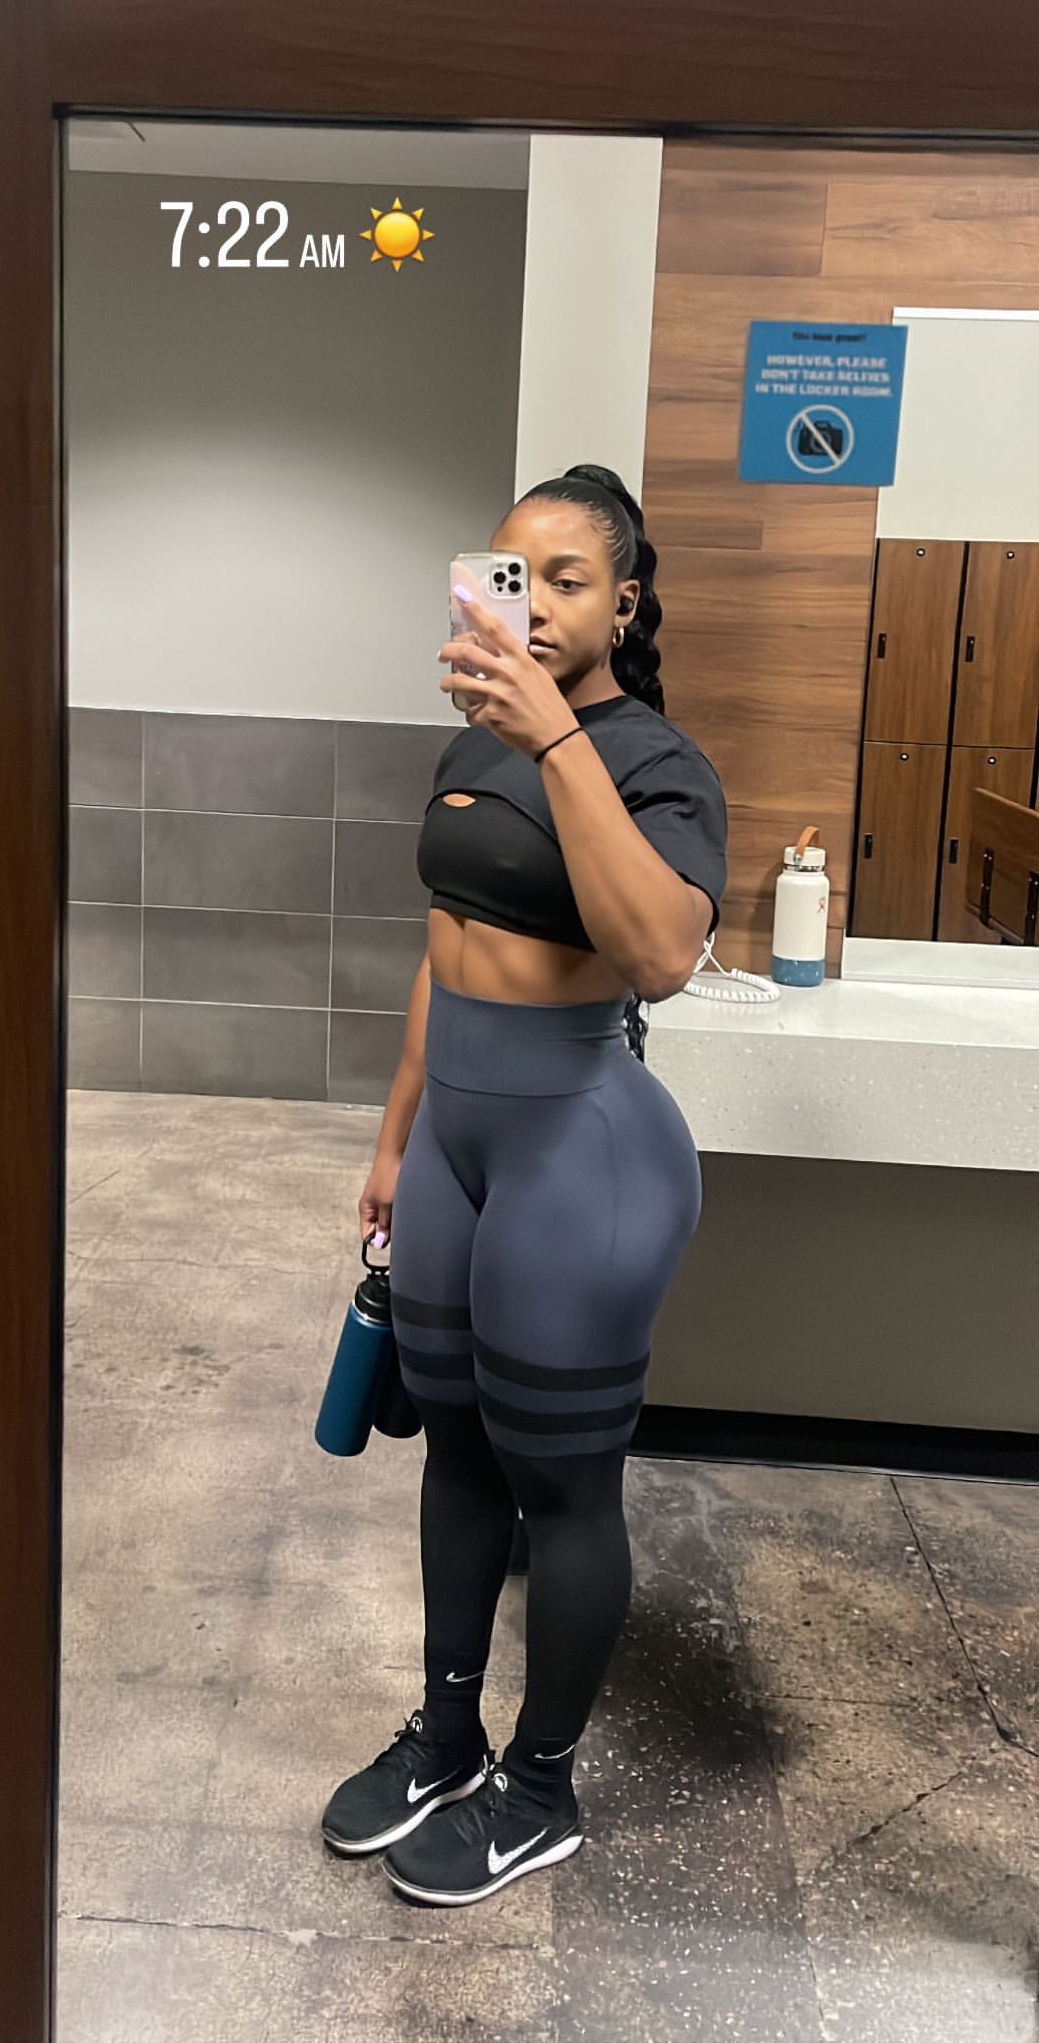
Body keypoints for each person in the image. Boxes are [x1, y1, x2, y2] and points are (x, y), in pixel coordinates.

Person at [319, 463, 728, 1906]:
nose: (536, 602)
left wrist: (557, 736)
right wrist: (395, 1136)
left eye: (568, 579)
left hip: (579, 1149)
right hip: (455, 1142)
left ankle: (541, 1788)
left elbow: (660, 955)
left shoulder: (656, 762)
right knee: (458, 1450)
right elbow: (448, 947)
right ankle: (447, 1736)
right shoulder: (472, 739)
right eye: (512, 575)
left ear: (626, 601)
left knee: (561, 1479)